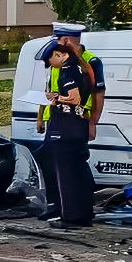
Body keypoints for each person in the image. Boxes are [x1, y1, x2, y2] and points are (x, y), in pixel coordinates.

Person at [36, 40, 94, 228]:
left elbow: (74, 98)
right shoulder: (81, 68)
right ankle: (83, 213)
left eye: (49, 60)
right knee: (77, 171)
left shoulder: (68, 70)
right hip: (78, 127)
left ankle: (71, 217)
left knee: (66, 175)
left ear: (60, 55)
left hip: (66, 127)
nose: (50, 65)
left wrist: (55, 99)